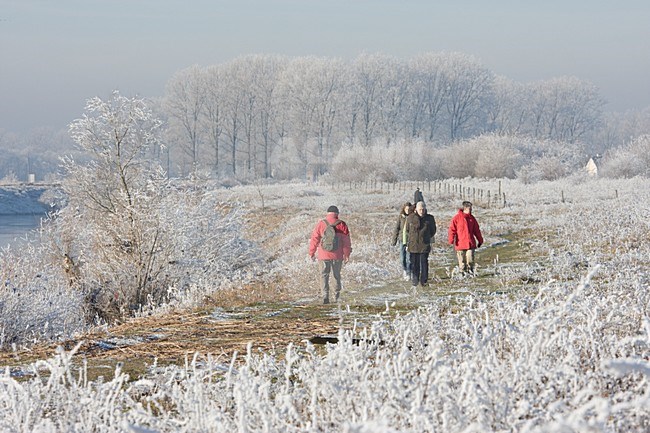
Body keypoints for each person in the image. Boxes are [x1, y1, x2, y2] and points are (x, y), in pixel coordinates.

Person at [309, 205, 352, 304]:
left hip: (323, 255)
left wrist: (311, 252)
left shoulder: (321, 224)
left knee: (324, 275)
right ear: (337, 214)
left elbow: (314, 239)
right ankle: (336, 297)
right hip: (337, 256)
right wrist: (347, 254)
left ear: (327, 213)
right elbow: (346, 242)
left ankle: (325, 297)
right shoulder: (342, 224)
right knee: (336, 276)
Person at [405, 201, 436, 288]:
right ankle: (415, 280)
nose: (421, 211)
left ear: (425, 209)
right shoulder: (410, 218)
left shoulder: (429, 218)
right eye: (420, 209)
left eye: (423, 209)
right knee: (414, 263)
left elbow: (433, 230)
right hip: (413, 245)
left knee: (424, 263)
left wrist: (426, 237)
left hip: (424, 244)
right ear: (416, 209)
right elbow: (407, 230)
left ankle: (424, 281)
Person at [448, 201, 484, 276]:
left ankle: (470, 273)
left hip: (470, 243)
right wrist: (451, 239)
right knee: (462, 262)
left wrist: (480, 240)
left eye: (471, 209)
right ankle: (462, 275)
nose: (471, 210)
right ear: (465, 208)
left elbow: (476, 230)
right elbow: (452, 229)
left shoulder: (472, 219)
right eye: (469, 209)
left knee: (470, 260)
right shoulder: (456, 218)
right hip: (460, 243)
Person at [391, 201, 413, 281]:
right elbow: (396, 228)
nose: (407, 210)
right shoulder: (401, 217)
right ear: (404, 209)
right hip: (401, 240)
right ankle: (404, 270)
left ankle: (409, 272)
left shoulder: (412, 217)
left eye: (408, 209)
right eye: (406, 209)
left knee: (409, 257)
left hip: (409, 240)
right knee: (402, 258)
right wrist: (394, 240)